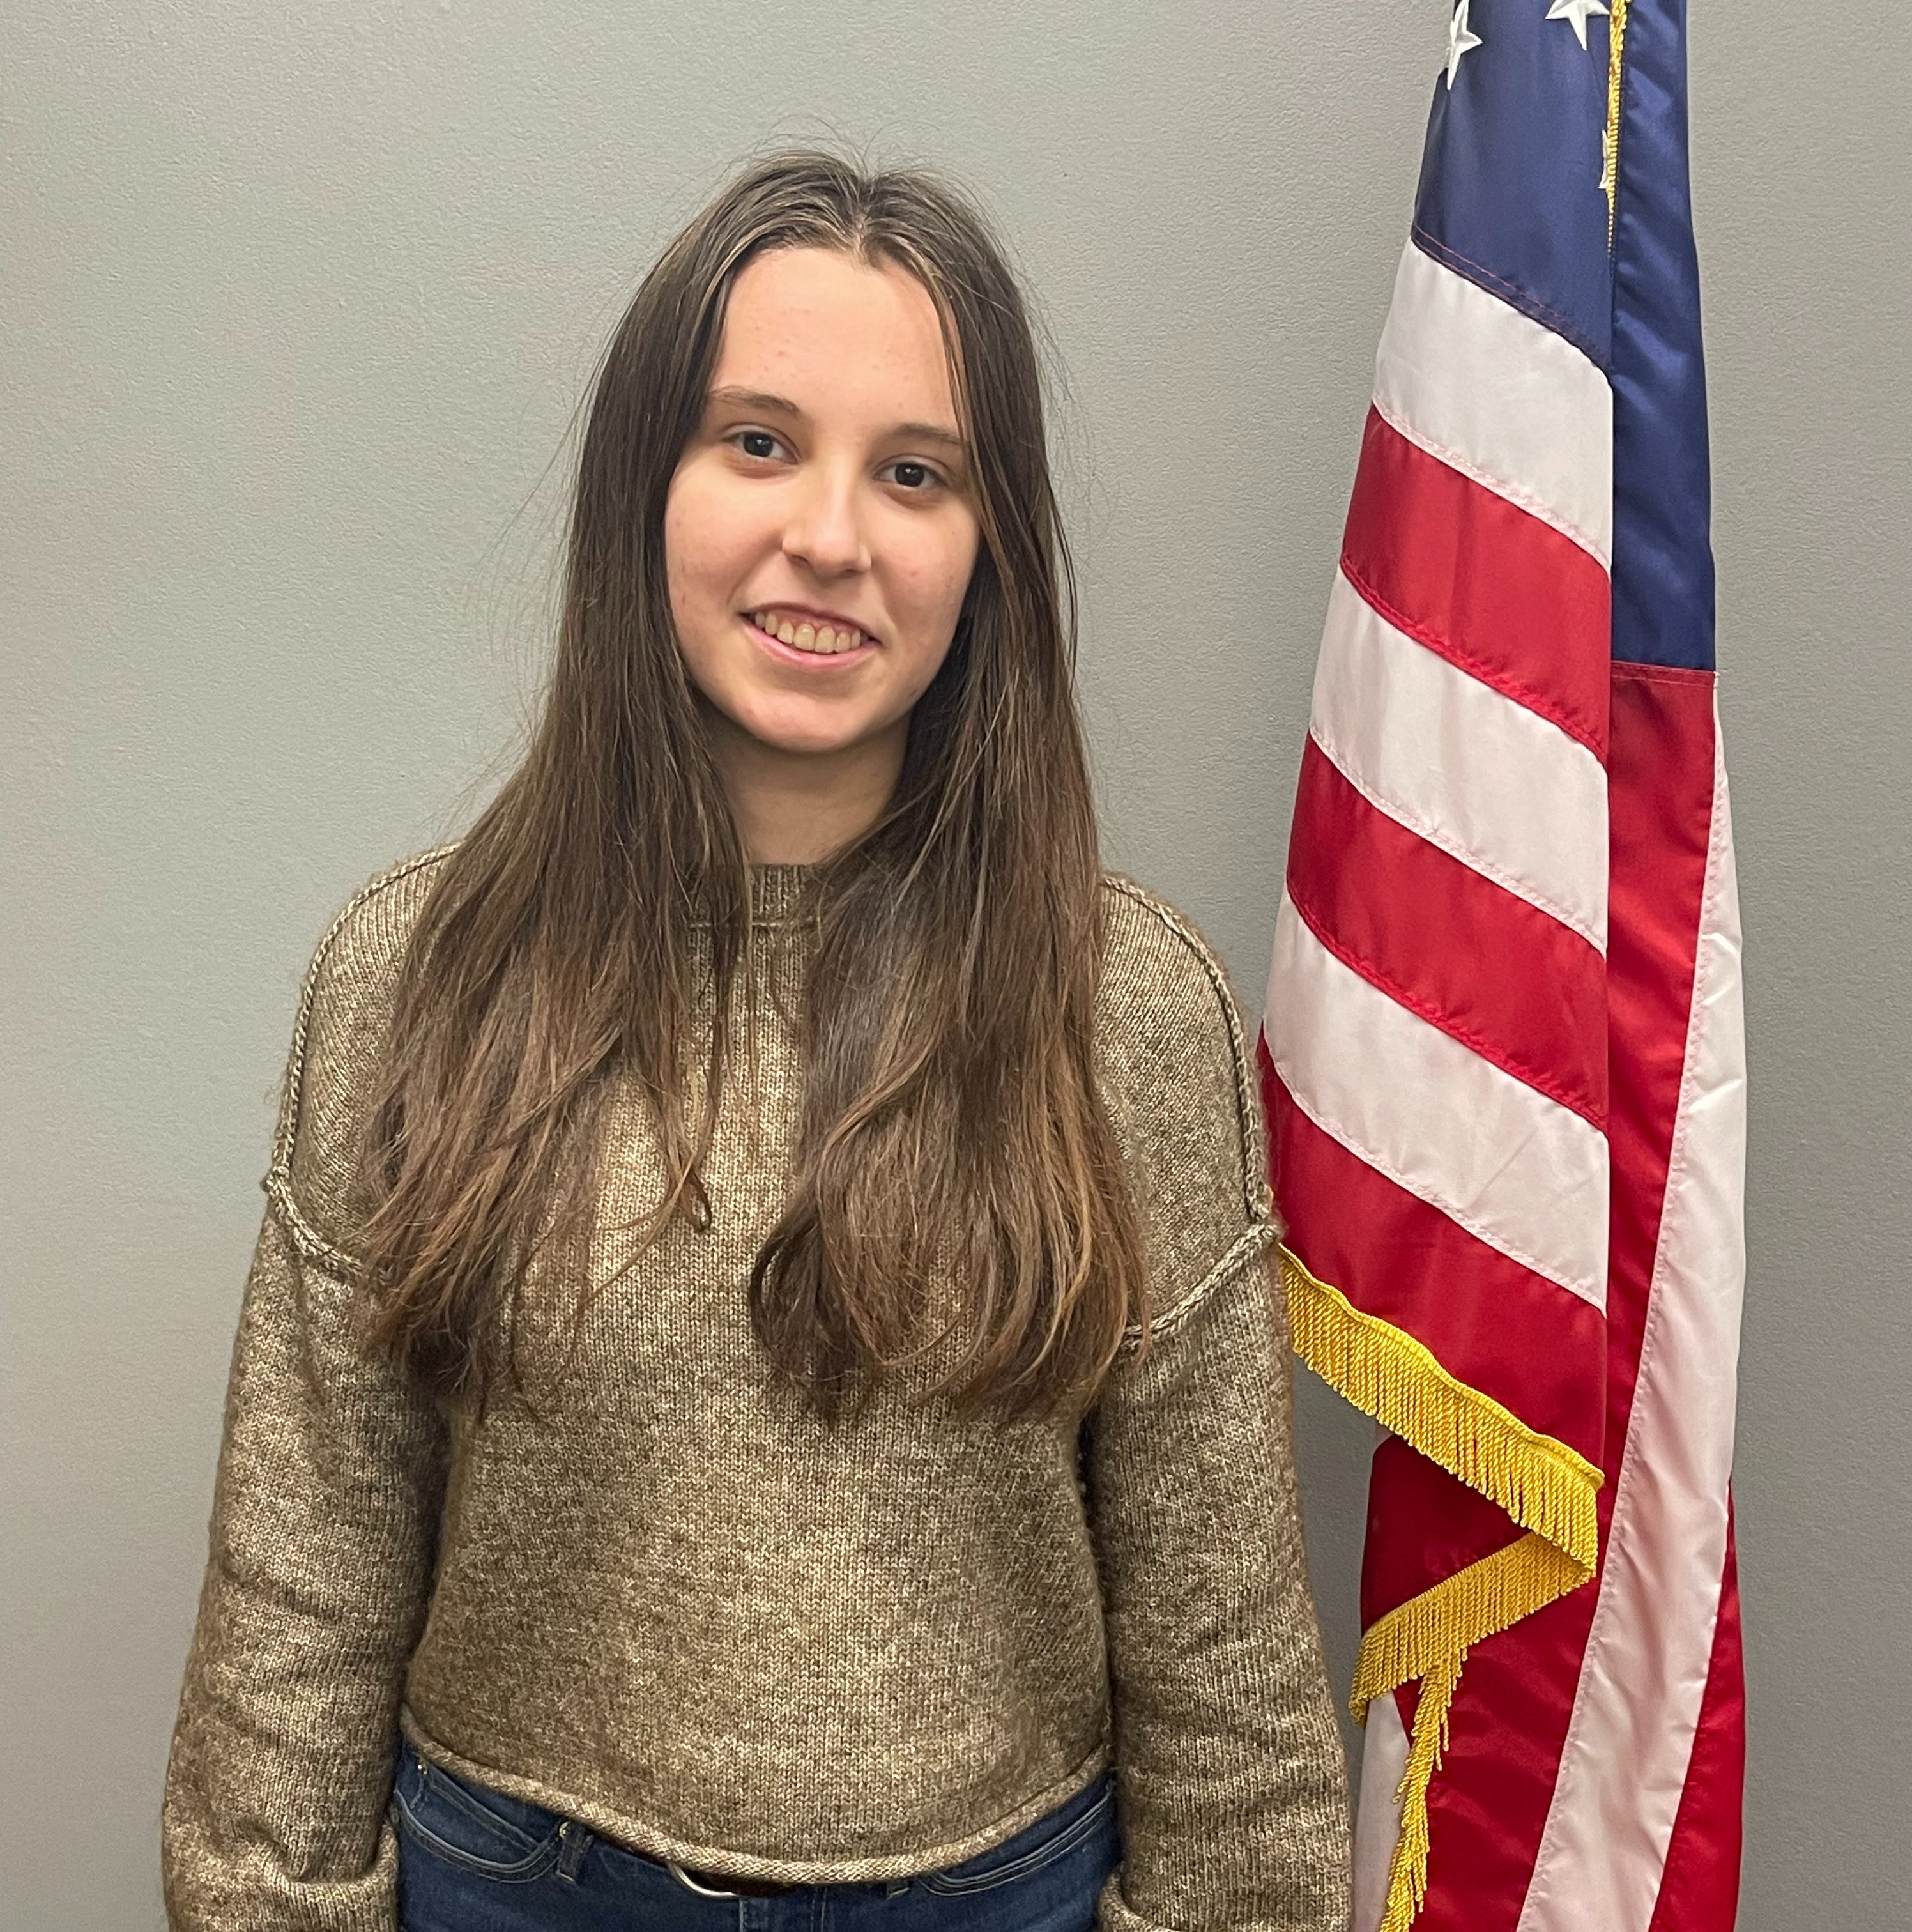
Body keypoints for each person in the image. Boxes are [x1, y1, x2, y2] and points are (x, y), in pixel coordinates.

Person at [160, 150, 1351, 1932]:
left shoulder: (1130, 1009)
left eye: (917, 473)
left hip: (998, 1893)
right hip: (514, 1881)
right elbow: (305, 1575)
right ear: (647, 489)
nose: (832, 537)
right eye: (760, 443)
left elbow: (1222, 1649)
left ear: (989, 549)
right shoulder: (414, 970)